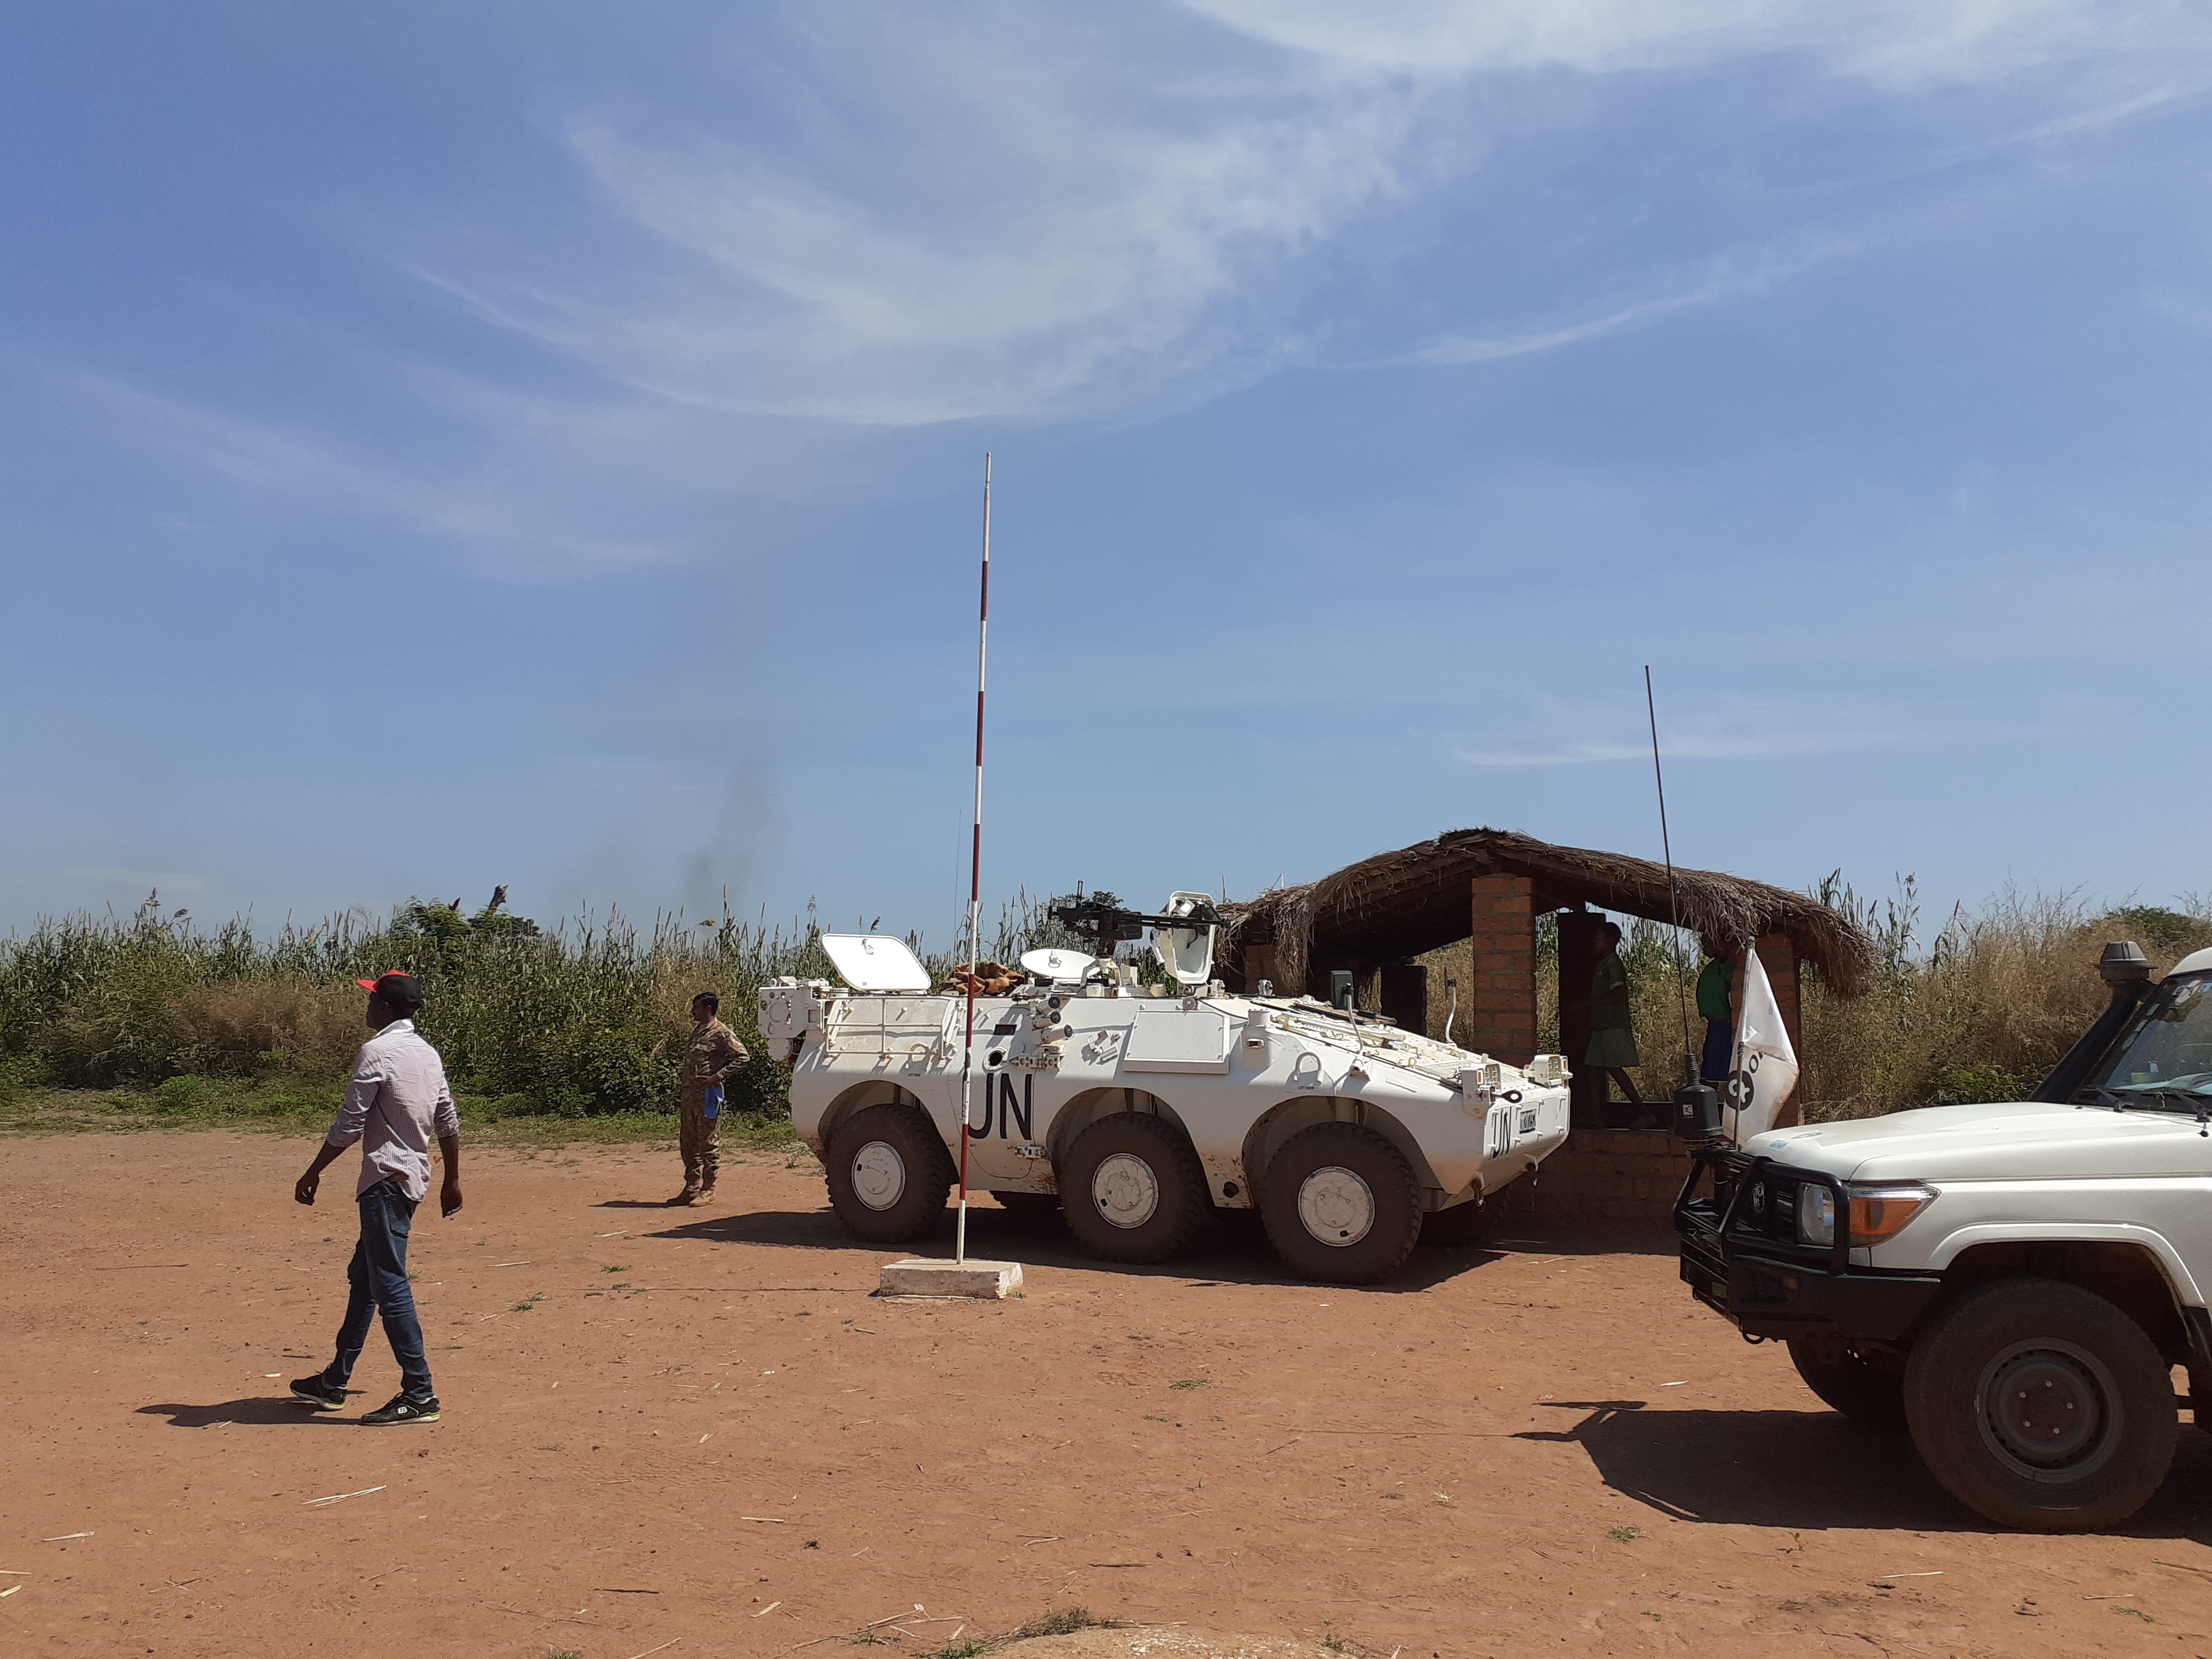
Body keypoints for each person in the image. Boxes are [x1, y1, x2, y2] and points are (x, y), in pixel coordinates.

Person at [289, 970, 461, 1425]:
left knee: (389, 1282)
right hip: (412, 1182)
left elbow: (349, 1124)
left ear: (384, 1007)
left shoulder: (378, 1052)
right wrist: (452, 1179)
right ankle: (335, 1380)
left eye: (371, 1000)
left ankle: (420, 1393)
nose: (366, 1007)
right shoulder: (427, 1054)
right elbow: (447, 1118)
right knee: (365, 1277)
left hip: (384, 1180)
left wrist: (313, 1172)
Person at [671, 990, 750, 1206]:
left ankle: (708, 1189)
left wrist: (718, 1076)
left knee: (708, 1143)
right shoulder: (697, 1031)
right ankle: (692, 1186)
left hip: (708, 1096)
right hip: (690, 1096)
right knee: (688, 1143)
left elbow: (743, 1057)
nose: (692, 1012)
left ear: (708, 1009)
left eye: (695, 1008)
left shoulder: (721, 1033)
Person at [1585, 921, 1650, 1126]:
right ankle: (1596, 1117)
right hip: (1601, 1025)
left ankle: (1644, 1113)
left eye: (1599, 938)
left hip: (1613, 1024)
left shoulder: (1613, 964)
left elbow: (1617, 994)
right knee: (1594, 1068)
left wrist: (1585, 1005)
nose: (1595, 942)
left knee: (1614, 1068)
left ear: (1611, 941)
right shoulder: (1602, 964)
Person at [1697, 935, 1738, 1090]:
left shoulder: (1729, 967)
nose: (1703, 949)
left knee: (1715, 1072)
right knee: (1710, 1071)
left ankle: (1712, 1108)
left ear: (1719, 943)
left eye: (1706, 944)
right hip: (1716, 1027)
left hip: (1723, 1027)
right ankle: (1708, 1108)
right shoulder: (1717, 966)